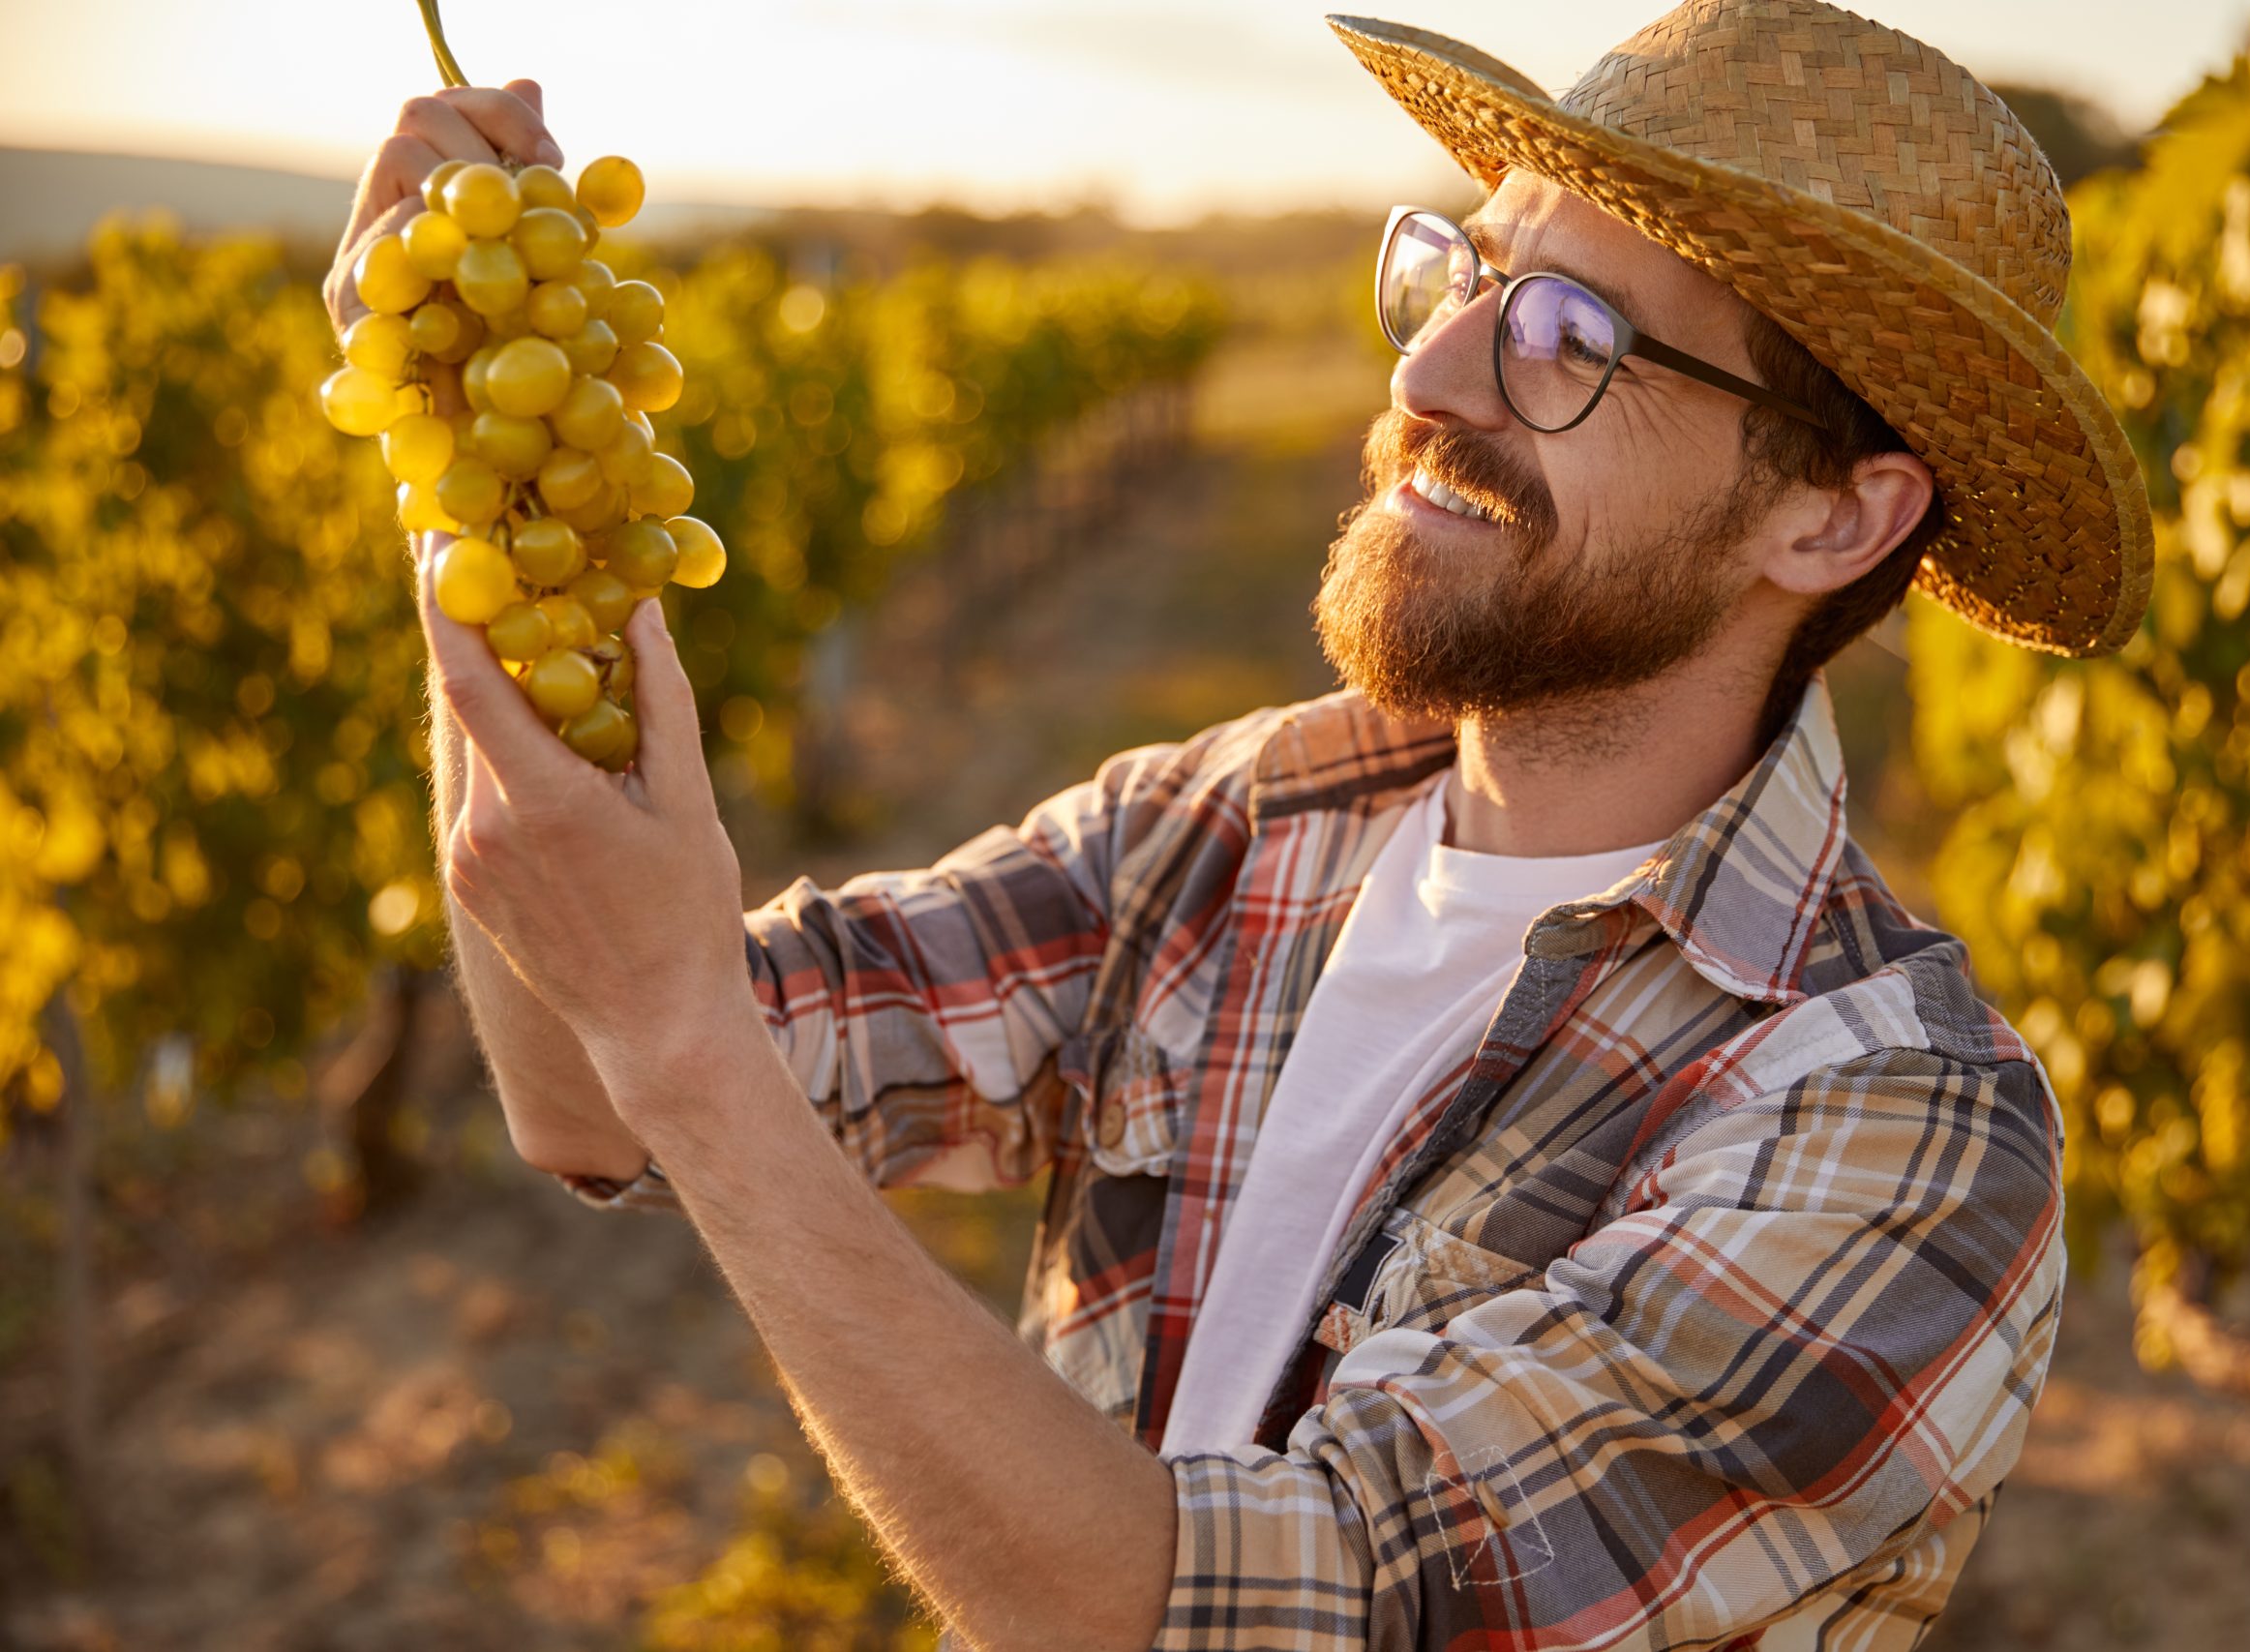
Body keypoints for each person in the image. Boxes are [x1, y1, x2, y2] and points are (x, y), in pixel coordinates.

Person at [324, 0, 2152, 1645]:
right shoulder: (1229, 822)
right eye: (1458, 281)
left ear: (1833, 519)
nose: (1429, 380)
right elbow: (587, 1089)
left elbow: (1257, 1611)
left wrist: (686, 1049)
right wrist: (477, 433)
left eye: (1568, 339)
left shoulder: (1896, 1124)